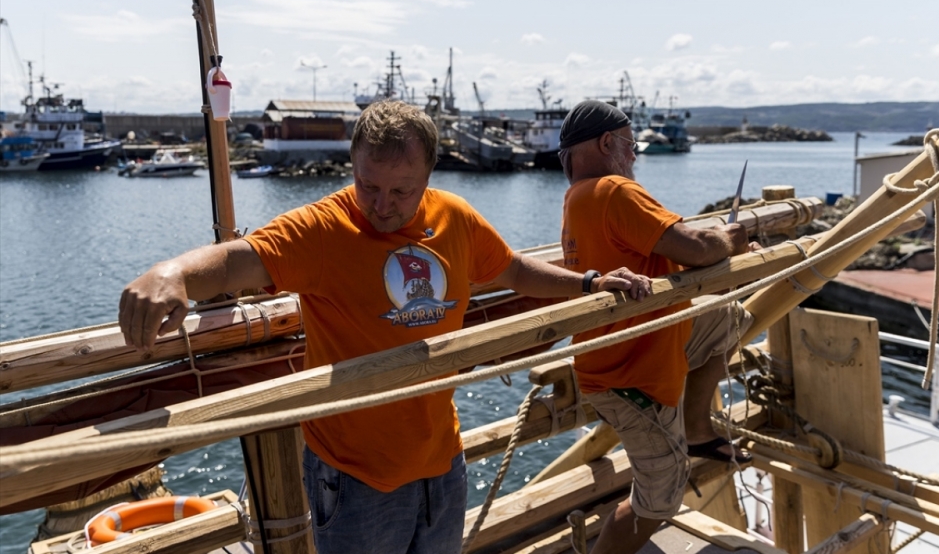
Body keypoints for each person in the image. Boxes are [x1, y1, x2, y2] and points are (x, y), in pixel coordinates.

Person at [118, 100, 651, 554]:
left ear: (428, 178)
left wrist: (588, 284)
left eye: (402, 191)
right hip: (354, 479)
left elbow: (510, 269)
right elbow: (240, 259)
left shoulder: (455, 219)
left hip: (441, 460)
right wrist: (174, 273)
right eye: (368, 185)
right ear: (352, 166)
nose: (381, 206)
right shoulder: (325, 229)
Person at [557, 100, 759, 554]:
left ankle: (698, 426)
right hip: (630, 376)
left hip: (624, 350)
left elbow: (652, 247)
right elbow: (695, 247)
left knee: (726, 315)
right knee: (661, 500)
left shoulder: (577, 199)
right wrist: (731, 238)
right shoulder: (612, 190)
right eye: (630, 146)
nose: (634, 156)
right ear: (607, 143)